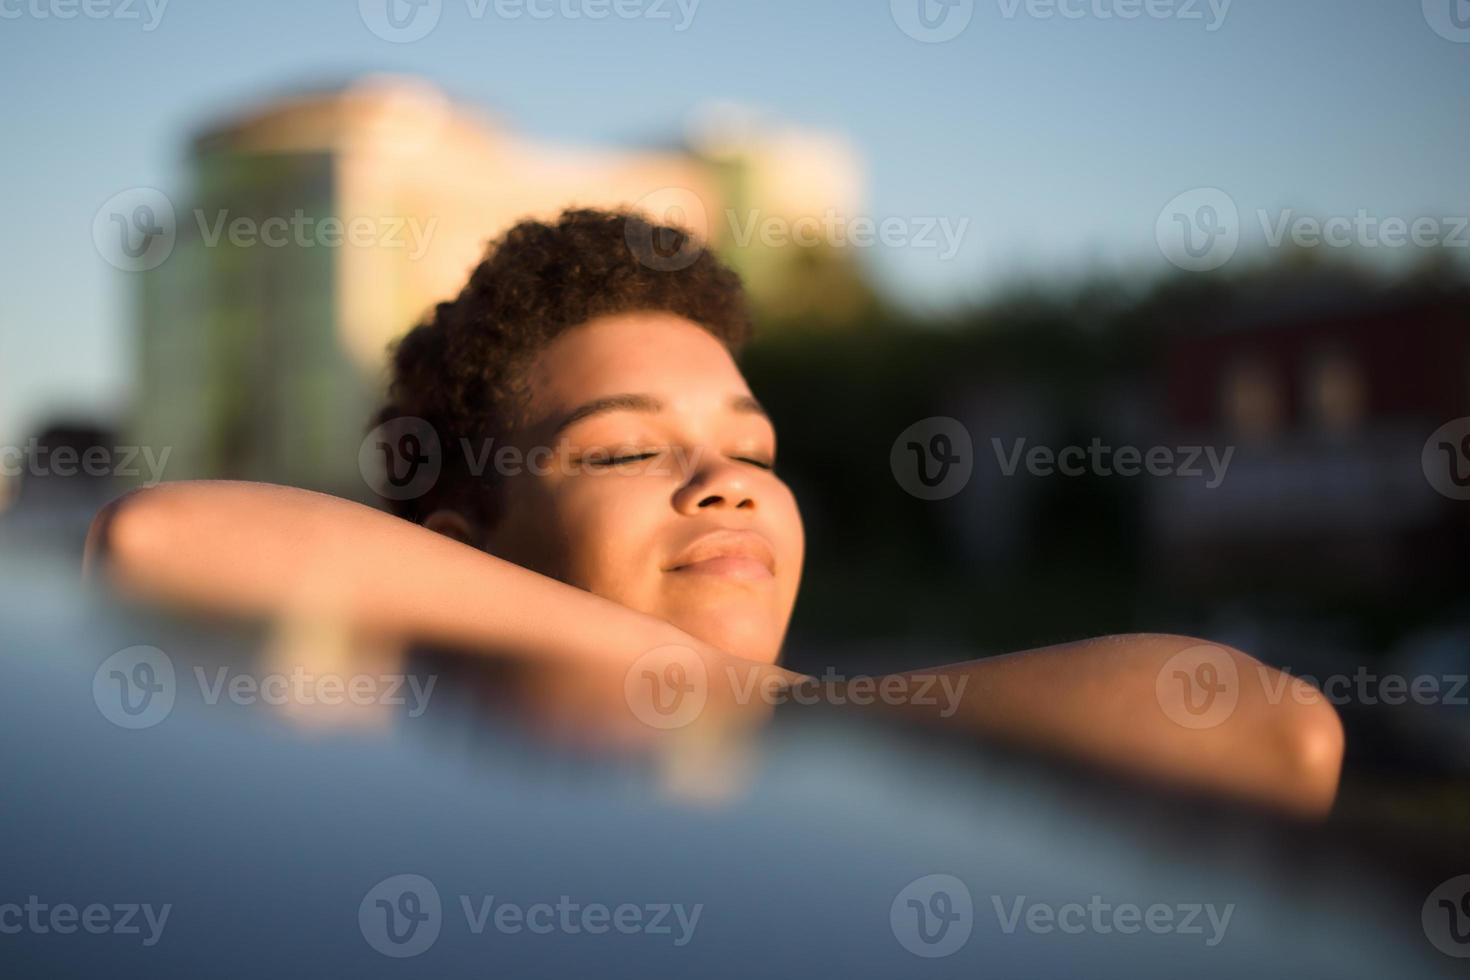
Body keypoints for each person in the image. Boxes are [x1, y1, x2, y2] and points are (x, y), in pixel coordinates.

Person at [84, 208, 1344, 816]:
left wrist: (780, 710)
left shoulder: (866, 757)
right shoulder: (393, 781)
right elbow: (161, 538)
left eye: (752, 447)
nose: (728, 480)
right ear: (463, 544)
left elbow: (1275, 730)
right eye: (629, 446)